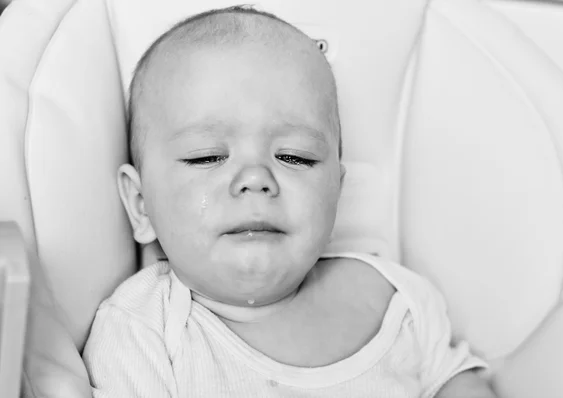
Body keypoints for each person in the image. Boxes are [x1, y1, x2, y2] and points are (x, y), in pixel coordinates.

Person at [82, 6, 497, 397]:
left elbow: (455, 380)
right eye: (206, 156)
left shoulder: (395, 300)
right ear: (140, 204)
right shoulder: (142, 332)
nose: (256, 179)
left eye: (295, 156)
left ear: (336, 186)